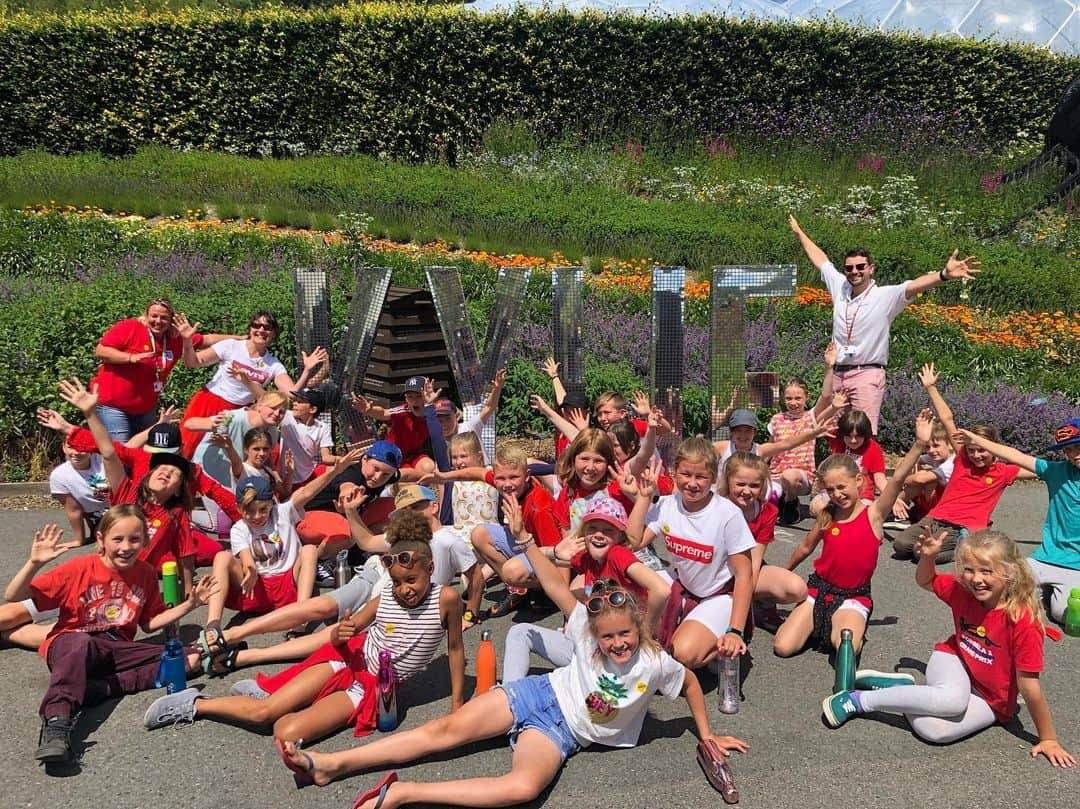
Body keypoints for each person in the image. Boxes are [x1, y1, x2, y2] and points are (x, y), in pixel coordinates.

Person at [276, 493, 747, 808]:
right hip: (535, 695)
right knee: (444, 731)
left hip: (563, 734)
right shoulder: (585, 626)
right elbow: (549, 580)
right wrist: (523, 539)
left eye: (624, 635)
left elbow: (687, 682)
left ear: (639, 630)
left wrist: (706, 735)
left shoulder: (653, 660)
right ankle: (331, 764)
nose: (617, 643)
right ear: (594, 635)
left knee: (522, 788)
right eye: (608, 638)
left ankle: (401, 793)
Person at [143, 508, 465, 745]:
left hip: (372, 686)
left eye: (412, 580)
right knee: (265, 715)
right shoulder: (385, 598)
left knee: (286, 732)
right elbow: (351, 628)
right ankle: (195, 704)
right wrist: (342, 630)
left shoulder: (446, 600)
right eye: (397, 581)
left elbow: (454, 650)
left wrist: (456, 705)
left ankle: (284, 695)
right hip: (348, 659)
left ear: (431, 569)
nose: (405, 588)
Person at [822, 529, 1076, 767]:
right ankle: (858, 701)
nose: (976, 579)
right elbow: (926, 580)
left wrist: (1048, 739)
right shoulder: (962, 591)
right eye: (969, 570)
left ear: (1010, 572)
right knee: (952, 700)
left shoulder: (1022, 621)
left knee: (933, 731)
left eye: (987, 571)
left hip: (990, 697)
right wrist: (928, 558)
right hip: (954, 659)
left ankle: (905, 691)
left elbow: (1029, 686)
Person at [3, 508, 217, 763]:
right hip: (73, 643)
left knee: (188, 659)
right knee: (79, 643)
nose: (126, 547)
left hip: (115, 649)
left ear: (144, 541)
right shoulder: (79, 568)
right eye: (118, 539)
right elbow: (14, 596)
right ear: (101, 540)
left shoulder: (146, 573)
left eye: (134, 539)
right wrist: (34, 563)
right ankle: (57, 722)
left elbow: (149, 624)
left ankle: (101, 688)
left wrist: (190, 605)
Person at [789, 215, 980, 434]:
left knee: (862, 433)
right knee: (834, 433)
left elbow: (913, 286)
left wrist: (943, 275)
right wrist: (799, 232)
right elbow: (821, 260)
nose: (854, 271)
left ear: (871, 268)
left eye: (860, 266)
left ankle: (864, 470)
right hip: (838, 372)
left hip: (866, 373)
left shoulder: (885, 295)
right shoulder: (840, 287)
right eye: (849, 268)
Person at [773, 411, 933, 659]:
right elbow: (805, 548)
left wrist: (920, 444)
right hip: (819, 589)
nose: (837, 494)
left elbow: (898, 478)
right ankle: (817, 620)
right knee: (783, 647)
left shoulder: (874, 514)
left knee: (845, 648)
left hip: (853, 596)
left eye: (842, 487)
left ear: (858, 481)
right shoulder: (827, 514)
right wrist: (783, 575)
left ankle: (848, 624)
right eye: (831, 489)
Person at [198, 449, 364, 663]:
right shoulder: (239, 529)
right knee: (222, 557)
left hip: (287, 584)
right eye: (249, 511)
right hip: (257, 587)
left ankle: (300, 618)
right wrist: (249, 571)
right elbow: (247, 559)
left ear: (271, 506)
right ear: (239, 508)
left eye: (262, 510)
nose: (256, 516)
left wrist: (335, 471)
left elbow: (306, 493)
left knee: (309, 550)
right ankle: (213, 623)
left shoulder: (283, 513)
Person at [502, 495, 672, 682]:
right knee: (520, 632)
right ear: (584, 533)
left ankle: (513, 697)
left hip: (623, 649)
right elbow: (516, 566)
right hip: (596, 646)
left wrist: (646, 632)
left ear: (620, 536)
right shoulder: (589, 558)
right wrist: (553, 550)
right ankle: (510, 693)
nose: (599, 534)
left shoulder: (617, 555)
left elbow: (661, 589)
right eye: (592, 528)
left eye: (608, 530)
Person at [58, 378, 198, 594]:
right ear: (148, 474)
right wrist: (90, 413)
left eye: (174, 473)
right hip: (102, 575)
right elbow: (108, 452)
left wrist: (189, 591)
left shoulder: (176, 512)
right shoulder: (127, 492)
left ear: (179, 488)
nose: (166, 472)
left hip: (137, 584)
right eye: (161, 468)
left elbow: (185, 552)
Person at [626, 436, 755, 671]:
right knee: (626, 604)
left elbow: (745, 575)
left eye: (701, 477)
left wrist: (735, 631)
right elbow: (634, 543)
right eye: (686, 474)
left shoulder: (728, 514)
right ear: (675, 472)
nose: (693, 483)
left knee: (682, 654)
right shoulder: (667, 505)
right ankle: (682, 628)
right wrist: (644, 498)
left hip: (717, 595)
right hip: (682, 584)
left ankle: (721, 645)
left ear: (714, 478)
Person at [891, 363, 1035, 564]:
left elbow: (1039, 469)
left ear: (994, 450)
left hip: (963, 527)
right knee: (900, 545)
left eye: (982, 450)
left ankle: (966, 543)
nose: (976, 455)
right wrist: (931, 388)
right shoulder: (963, 459)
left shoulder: (1003, 471)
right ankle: (962, 546)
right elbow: (948, 420)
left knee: (921, 554)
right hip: (936, 518)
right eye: (972, 450)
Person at [952, 418, 1080, 624]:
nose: (1074, 454)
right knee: (1002, 592)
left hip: (1077, 566)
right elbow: (1014, 455)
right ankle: (1038, 591)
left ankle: (1046, 594)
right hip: (1045, 558)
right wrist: (976, 439)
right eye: (1069, 449)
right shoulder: (1056, 471)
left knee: (1064, 615)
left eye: (1078, 447)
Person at [432, 445, 561, 618]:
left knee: (512, 571)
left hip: (544, 553)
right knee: (479, 534)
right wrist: (444, 477)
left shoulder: (539, 506)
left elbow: (558, 554)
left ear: (527, 476)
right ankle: (519, 590)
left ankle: (543, 592)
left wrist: (562, 597)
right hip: (524, 543)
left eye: (514, 477)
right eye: (501, 478)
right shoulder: (506, 482)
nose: (507, 484)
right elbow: (476, 473)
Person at [178, 310, 325, 457]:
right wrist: (187, 341)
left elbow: (291, 393)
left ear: (273, 333)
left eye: (267, 327)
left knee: (223, 455)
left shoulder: (273, 364)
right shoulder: (231, 346)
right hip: (209, 401)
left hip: (239, 413)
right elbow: (193, 362)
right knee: (186, 445)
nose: (261, 330)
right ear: (250, 328)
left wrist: (307, 370)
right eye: (256, 325)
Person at [91, 300, 229, 442]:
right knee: (121, 451)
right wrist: (129, 357)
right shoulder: (131, 327)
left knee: (147, 449)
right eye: (154, 316)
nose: (158, 321)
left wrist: (243, 339)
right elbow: (101, 351)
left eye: (164, 318)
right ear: (146, 315)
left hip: (145, 408)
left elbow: (207, 339)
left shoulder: (174, 338)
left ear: (170, 320)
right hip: (113, 405)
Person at [718, 452, 807, 626]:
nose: (746, 491)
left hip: (746, 567)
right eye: (740, 484)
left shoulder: (768, 511)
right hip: (716, 568)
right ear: (728, 481)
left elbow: (755, 560)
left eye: (754, 485)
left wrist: (744, 592)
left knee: (797, 589)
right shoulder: (717, 506)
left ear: (763, 485)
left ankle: (755, 603)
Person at [768, 342, 845, 525]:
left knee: (789, 476)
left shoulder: (810, 417)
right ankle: (778, 500)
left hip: (800, 477)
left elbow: (826, 396)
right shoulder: (776, 419)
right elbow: (769, 448)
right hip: (775, 474)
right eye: (789, 398)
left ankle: (791, 502)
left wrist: (829, 367)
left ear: (806, 398)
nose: (793, 402)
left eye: (797, 398)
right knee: (765, 498)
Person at [186, 390, 288, 488]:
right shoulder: (234, 418)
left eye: (281, 411)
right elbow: (189, 424)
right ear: (260, 406)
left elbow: (266, 456)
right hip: (207, 471)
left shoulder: (273, 432)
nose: (277, 414)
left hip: (233, 476)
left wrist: (274, 473)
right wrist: (211, 425)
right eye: (273, 408)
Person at [351, 375, 437, 476]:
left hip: (413, 455)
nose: (414, 401)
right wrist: (370, 410)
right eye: (410, 397)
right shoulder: (402, 412)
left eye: (418, 396)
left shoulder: (435, 412)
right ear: (406, 399)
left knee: (429, 468)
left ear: (427, 395)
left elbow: (455, 413)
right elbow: (383, 413)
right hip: (390, 456)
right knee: (404, 475)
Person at [808, 410, 886, 518]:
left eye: (858, 436)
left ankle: (839, 522)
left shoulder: (873, 448)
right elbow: (815, 422)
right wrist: (833, 407)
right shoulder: (837, 439)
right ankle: (834, 527)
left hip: (861, 496)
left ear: (866, 434)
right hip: (834, 492)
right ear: (842, 434)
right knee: (817, 506)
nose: (853, 440)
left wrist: (893, 499)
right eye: (849, 436)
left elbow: (880, 480)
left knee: (862, 516)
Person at [885, 419, 955, 530]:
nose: (931, 450)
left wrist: (896, 481)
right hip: (933, 501)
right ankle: (899, 508)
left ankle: (892, 505)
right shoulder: (937, 456)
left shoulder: (952, 462)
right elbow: (909, 461)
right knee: (908, 463)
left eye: (936, 446)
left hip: (946, 507)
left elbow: (920, 479)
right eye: (927, 447)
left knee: (922, 477)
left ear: (950, 445)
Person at [47, 434, 108, 546]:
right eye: (70, 447)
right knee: (105, 538)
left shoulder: (105, 461)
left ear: (92, 447)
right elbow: (73, 510)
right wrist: (79, 540)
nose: (76, 452)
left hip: (121, 506)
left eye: (81, 447)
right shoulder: (59, 476)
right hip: (97, 516)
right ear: (64, 448)